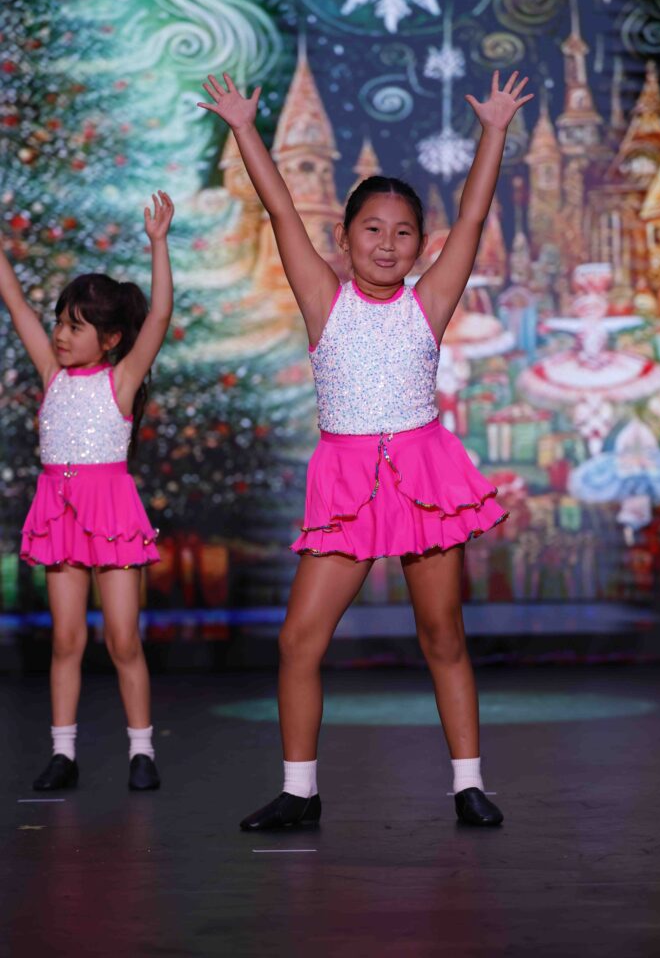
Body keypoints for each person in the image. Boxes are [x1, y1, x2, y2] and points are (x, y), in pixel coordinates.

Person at [198, 69, 532, 829]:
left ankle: (468, 784)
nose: (387, 243)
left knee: (441, 634)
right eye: (372, 230)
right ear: (343, 239)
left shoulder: (429, 301)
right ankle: (299, 791)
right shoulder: (324, 299)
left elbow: (474, 217)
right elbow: (282, 208)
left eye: (403, 232)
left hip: (424, 477)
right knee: (298, 639)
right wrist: (245, 128)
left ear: (420, 246)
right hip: (347, 484)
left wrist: (492, 132)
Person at [0, 192, 175, 792]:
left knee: (122, 638)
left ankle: (141, 750)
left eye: (75, 327)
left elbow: (159, 317)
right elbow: (13, 300)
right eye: (59, 323)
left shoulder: (120, 381)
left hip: (112, 514)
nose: (59, 334)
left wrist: (158, 244)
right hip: (59, 514)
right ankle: (63, 752)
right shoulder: (52, 376)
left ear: (110, 339)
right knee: (66, 639)